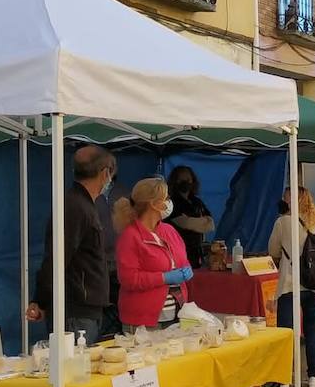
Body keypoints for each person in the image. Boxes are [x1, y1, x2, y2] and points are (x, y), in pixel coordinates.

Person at [27, 146, 116, 342]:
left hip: (86, 306)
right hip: (75, 308)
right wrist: (40, 299)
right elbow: (57, 257)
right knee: (73, 368)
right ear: (105, 173)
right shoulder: (75, 206)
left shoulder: (83, 204)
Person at [268, 187, 315, 387]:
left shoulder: (283, 222)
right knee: (312, 330)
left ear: (291, 199)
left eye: (286, 196)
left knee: (287, 332)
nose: (284, 200)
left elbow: (273, 249)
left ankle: (285, 378)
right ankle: (313, 376)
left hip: (290, 283)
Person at [114, 178, 192, 331]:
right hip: (144, 321)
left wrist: (186, 270)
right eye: (166, 198)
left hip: (176, 316)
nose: (169, 202)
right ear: (153, 203)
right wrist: (164, 277)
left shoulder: (169, 230)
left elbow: (182, 260)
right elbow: (129, 279)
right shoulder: (130, 236)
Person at [165, 166, 216, 269]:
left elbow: (210, 224)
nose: (185, 182)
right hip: (177, 251)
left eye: (188, 180)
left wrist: (193, 222)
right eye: (181, 180)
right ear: (175, 181)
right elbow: (184, 223)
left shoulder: (197, 202)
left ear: (193, 181)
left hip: (196, 251)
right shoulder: (171, 202)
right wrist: (201, 221)